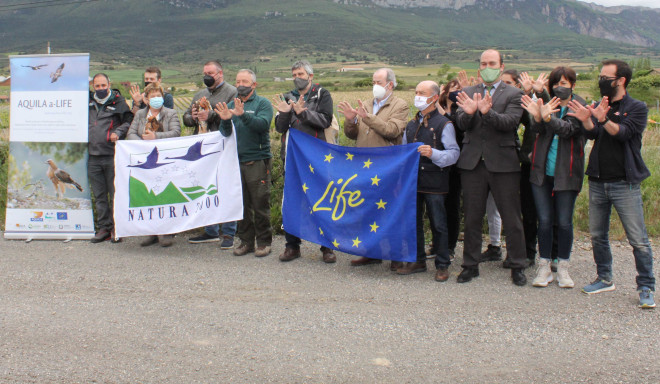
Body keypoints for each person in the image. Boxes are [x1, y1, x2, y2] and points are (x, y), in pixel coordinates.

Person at [568, 59, 655, 308]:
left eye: (606, 77)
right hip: (597, 180)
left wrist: (604, 120)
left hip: (624, 183)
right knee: (598, 235)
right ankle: (604, 278)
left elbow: (625, 133)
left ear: (621, 80)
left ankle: (646, 286)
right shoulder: (599, 105)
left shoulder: (637, 107)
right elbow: (593, 133)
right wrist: (587, 119)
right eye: (600, 77)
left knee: (637, 239)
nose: (601, 81)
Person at [454, 49, 527, 286]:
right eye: (484, 63)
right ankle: (470, 266)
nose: (488, 67)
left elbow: (510, 123)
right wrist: (469, 113)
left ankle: (517, 265)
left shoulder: (514, 94)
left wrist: (488, 112)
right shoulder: (467, 92)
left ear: (501, 66)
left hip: (503, 164)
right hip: (473, 163)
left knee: (511, 217)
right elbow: (462, 124)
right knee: (473, 217)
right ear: (479, 68)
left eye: (492, 63)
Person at [521, 66, 586, 288]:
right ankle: (544, 267)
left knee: (564, 222)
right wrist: (538, 114)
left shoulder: (579, 106)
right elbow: (536, 129)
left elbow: (570, 130)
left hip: (567, 174)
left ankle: (563, 268)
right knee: (545, 221)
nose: (560, 87)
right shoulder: (549, 103)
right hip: (541, 172)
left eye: (565, 84)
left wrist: (548, 118)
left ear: (573, 86)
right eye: (556, 84)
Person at [338, 68, 409, 270]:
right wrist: (351, 120)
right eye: (373, 82)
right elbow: (353, 135)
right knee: (367, 209)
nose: (374, 86)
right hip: (364, 165)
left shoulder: (400, 105)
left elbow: (392, 130)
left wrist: (368, 117)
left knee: (389, 210)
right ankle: (371, 252)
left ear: (390, 85)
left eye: (378, 82)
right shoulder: (367, 104)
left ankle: (396, 255)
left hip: (387, 167)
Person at [273, 60, 336, 264]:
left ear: (310, 76)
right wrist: (284, 113)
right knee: (293, 201)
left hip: (317, 158)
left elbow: (325, 120)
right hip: (292, 157)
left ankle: (327, 247)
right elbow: (280, 128)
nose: (297, 78)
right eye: (294, 75)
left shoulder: (322, 94)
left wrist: (302, 112)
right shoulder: (287, 96)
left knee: (322, 200)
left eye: (300, 74)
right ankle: (292, 246)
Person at [397, 81, 459, 281]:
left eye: (422, 93)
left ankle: (442, 264)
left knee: (438, 224)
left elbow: (454, 154)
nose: (418, 96)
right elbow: (403, 151)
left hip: (435, 181)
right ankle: (418, 260)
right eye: (416, 92)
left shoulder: (444, 124)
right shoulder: (411, 124)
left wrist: (433, 153)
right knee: (414, 222)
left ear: (434, 97)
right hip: (413, 181)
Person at [215, 69, 274, 257]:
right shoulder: (231, 104)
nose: (240, 84)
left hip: (257, 160)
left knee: (260, 204)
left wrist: (243, 115)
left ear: (254, 84)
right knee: (241, 205)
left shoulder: (262, 103)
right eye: (238, 81)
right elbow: (226, 133)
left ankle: (264, 242)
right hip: (235, 162)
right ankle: (246, 241)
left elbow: (262, 125)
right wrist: (225, 120)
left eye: (245, 81)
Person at [183, 61, 238, 248]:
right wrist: (193, 116)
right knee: (206, 187)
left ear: (220, 73)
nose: (207, 76)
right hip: (202, 147)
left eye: (211, 73)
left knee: (226, 187)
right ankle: (210, 230)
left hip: (223, 145)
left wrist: (211, 115)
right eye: (205, 73)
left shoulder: (232, 92)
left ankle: (229, 232)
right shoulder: (200, 94)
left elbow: (233, 114)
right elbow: (186, 118)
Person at [126, 83, 182, 247]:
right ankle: (151, 231)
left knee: (165, 194)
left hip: (165, 160)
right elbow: (130, 133)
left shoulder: (170, 113)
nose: (156, 99)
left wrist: (155, 137)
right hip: (146, 160)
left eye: (159, 96)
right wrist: (144, 143)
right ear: (146, 98)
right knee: (149, 195)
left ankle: (167, 232)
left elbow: (175, 132)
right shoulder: (140, 114)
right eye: (152, 96)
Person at [88, 73, 133, 243]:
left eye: (103, 85)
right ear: (93, 86)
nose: (100, 89)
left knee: (115, 194)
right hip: (92, 156)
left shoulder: (119, 103)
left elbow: (129, 122)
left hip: (112, 155)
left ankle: (117, 228)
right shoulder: (88, 103)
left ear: (109, 84)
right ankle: (104, 228)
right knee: (99, 195)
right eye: (97, 86)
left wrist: (118, 133)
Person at [436, 79, 463, 260]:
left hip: (456, 165)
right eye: (453, 89)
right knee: (438, 205)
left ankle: (450, 245)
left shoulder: (461, 109)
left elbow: (456, 127)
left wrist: (442, 110)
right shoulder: (437, 108)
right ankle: (438, 244)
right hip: (437, 163)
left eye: (460, 89)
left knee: (452, 205)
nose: (456, 92)